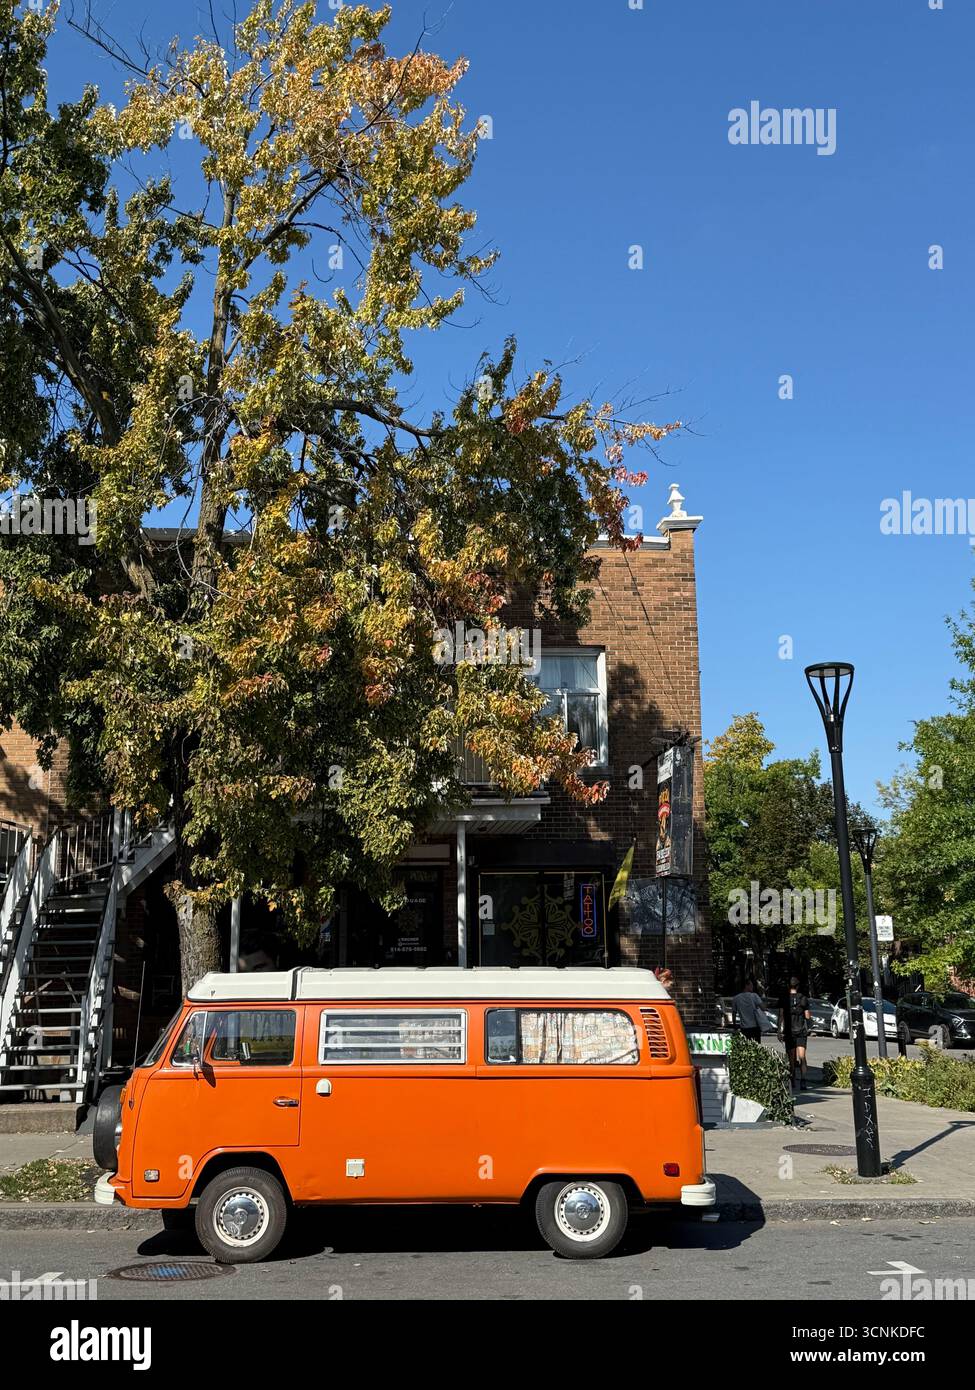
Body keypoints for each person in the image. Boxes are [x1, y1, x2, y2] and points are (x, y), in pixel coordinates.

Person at [780, 975, 812, 1090]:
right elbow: (807, 1015)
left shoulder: (784, 998)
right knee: (802, 1057)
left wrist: (779, 1031)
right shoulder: (803, 998)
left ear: (789, 986)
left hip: (789, 1031)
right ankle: (803, 1081)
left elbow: (781, 1016)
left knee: (791, 1058)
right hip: (801, 1030)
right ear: (798, 986)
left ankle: (792, 1080)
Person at [732, 978, 766, 1042]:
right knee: (756, 1047)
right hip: (755, 1027)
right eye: (751, 985)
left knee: (746, 1047)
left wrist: (734, 1025)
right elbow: (763, 1008)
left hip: (744, 1028)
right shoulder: (754, 996)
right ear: (746, 986)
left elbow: (734, 1013)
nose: (752, 987)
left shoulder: (736, 998)